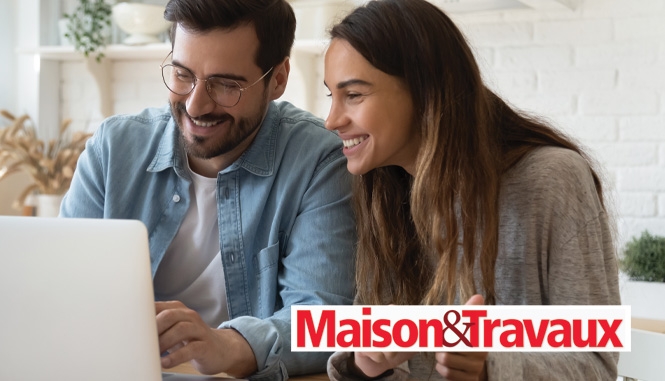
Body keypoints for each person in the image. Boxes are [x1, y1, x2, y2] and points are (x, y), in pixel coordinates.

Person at [322, 0, 620, 380]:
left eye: (354, 95)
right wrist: (367, 366)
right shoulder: (383, 191)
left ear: (425, 90)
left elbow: (597, 365)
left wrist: (488, 368)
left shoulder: (551, 180)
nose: (331, 120)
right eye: (332, 95)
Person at [60, 0, 356, 379]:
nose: (196, 104)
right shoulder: (114, 148)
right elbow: (62, 289)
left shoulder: (318, 161)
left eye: (225, 85)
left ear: (278, 78)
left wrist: (227, 345)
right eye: (183, 75)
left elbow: (323, 321)